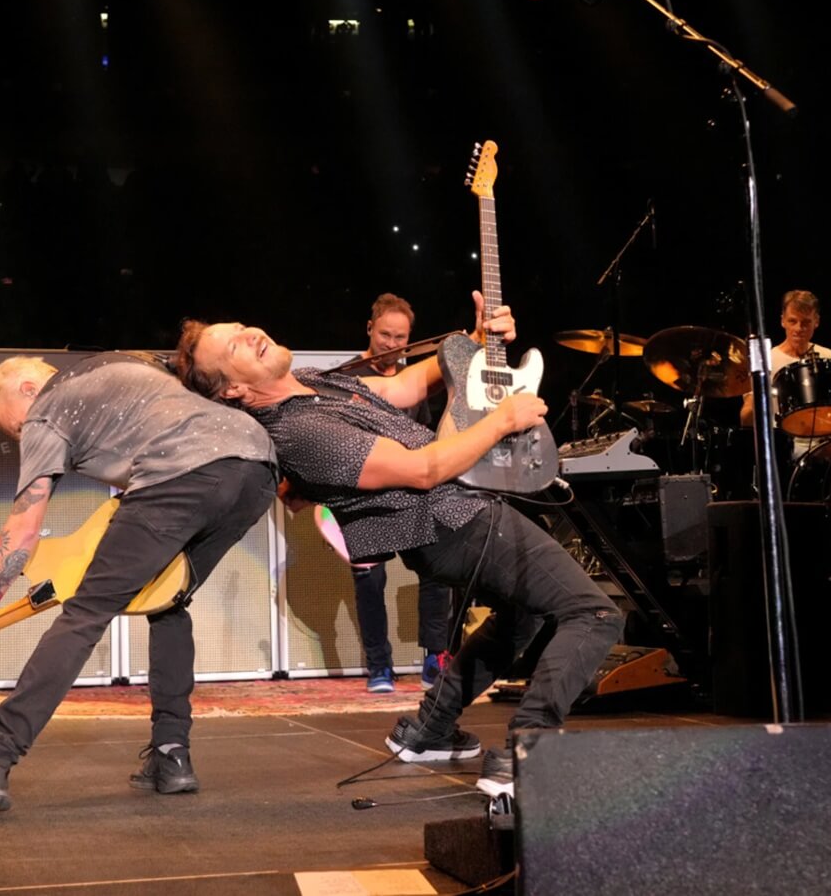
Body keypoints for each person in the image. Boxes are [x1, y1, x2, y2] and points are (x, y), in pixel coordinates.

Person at [175, 291, 624, 799]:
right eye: (233, 344)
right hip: (452, 520)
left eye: (241, 323)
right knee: (595, 614)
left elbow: (404, 386)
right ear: (234, 389)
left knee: (523, 615)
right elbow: (425, 469)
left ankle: (430, 729)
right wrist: (504, 418)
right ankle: (527, 756)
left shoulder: (315, 386)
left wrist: (475, 340)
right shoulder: (300, 430)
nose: (250, 332)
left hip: (453, 520)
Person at [0, 351, 278, 814]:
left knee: (85, 614)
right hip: (257, 470)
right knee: (167, 601)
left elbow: (24, 528)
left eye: (17, 430)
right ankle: (172, 757)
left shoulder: (49, 408)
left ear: (29, 390)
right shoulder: (125, 365)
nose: (24, 441)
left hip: (181, 476)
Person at [343, 293, 455, 693]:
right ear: (370, 328)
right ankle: (379, 667)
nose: (392, 343)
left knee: (437, 569)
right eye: (386, 334)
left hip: (411, 491)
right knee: (369, 581)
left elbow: (424, 435)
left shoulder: (415, 380)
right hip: (366, 496)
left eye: (401, 337)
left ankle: (434, 656)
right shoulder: (346, 379)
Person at [739, 289, 831, 462]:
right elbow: (746, 418)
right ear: (782, 321)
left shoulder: (827, 356)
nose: (798, 329)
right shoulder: (766, 359)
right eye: (792, 321)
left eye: (806, 322)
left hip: (824, 443)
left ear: (817, 322)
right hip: (783, 448)